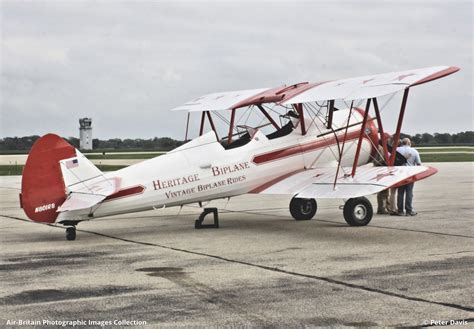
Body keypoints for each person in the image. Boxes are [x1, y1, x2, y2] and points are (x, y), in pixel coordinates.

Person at [395, 138, 421, 216]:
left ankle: (400, 211)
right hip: (410, 174)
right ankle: (409, 210)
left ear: (402, 143)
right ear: (409, 143)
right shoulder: (414, 151)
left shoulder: (397, 150)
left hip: (400, 173)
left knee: (400, 192)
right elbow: (418, 164)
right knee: (409, 192)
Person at [373, 143, 389, 214]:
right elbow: (376, 162)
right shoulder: (379, 148)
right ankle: (381, 208)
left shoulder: (378, 147)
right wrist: (385, 161)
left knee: (384, 191)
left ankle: (384, 207)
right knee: (383, 191)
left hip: (379, 170)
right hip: (381, 170)